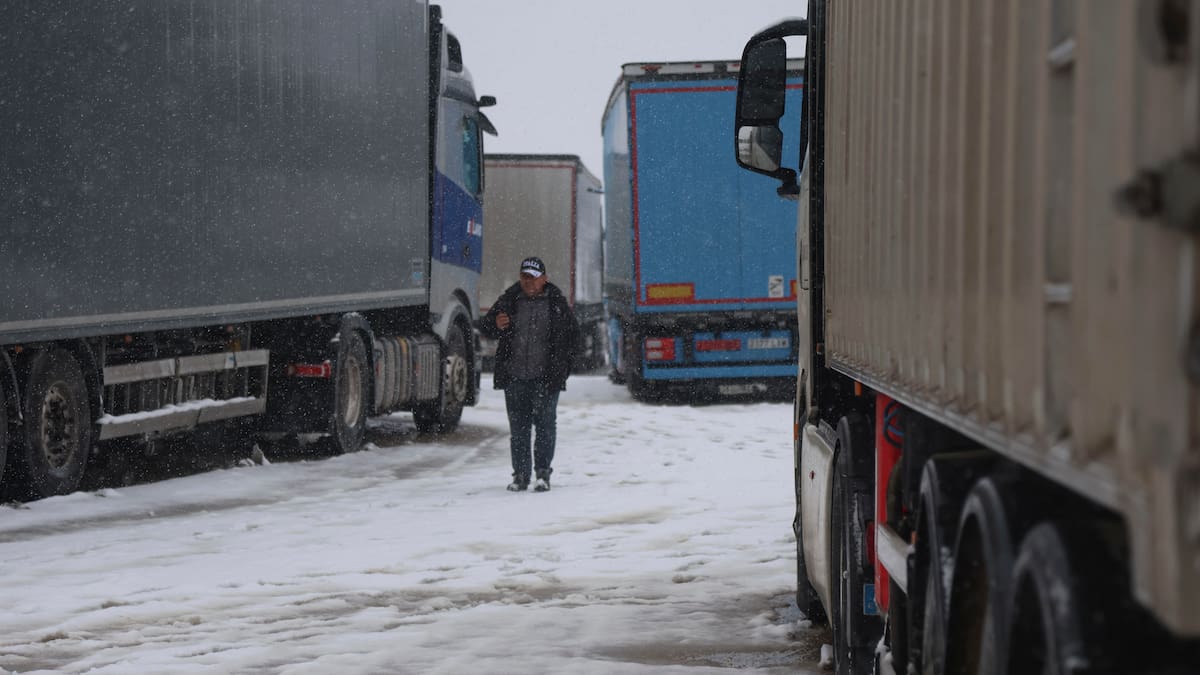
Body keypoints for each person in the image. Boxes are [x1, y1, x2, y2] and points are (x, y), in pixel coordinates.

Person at [479, 256, 580, 492]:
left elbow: (573, 338)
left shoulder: (556, 304)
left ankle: (543, 474)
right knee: (519, 430)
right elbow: (485, 326)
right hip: (515, 378)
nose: (529, 282)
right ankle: (520, 476)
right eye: (524, 277)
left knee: (545, 426)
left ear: (544, 279)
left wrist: (562, 371)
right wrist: (496, 323)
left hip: (546, 379)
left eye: (533, 278)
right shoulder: (509, 300)